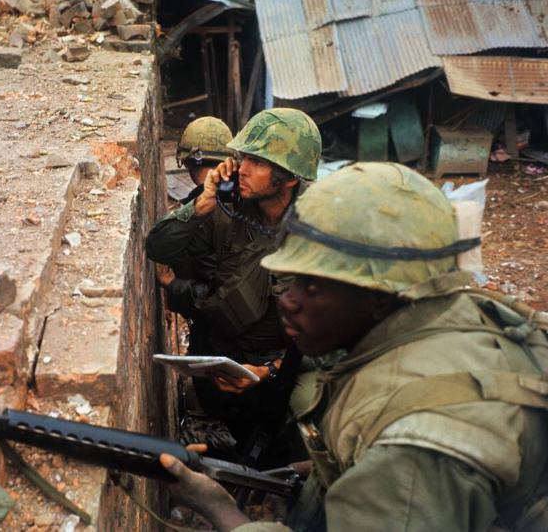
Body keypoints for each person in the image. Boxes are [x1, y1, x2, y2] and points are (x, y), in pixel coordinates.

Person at [160, 162, 548, 531]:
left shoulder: (413, 450)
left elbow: (409, 467)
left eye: (312, 285)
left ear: (378, 295)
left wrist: (220, 509)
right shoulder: (452, 311)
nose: (288, 300)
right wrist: (314, 473)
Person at [147, 108, 322, 456]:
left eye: (257, 162)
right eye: (243, 157)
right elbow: (158, 246)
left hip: (283, 362)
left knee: (308, 409)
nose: (240, 168)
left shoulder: (321, 226)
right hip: (225, 353)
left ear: (287, 179)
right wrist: (202, 203)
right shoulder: (227, 208)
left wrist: (267, 371)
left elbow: (336, 341)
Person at [157, 117, 234, 356]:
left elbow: (219, 296)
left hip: (222, 338)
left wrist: (171, 285)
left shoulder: (198, 213)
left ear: (187, 163)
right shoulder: (242, 199)